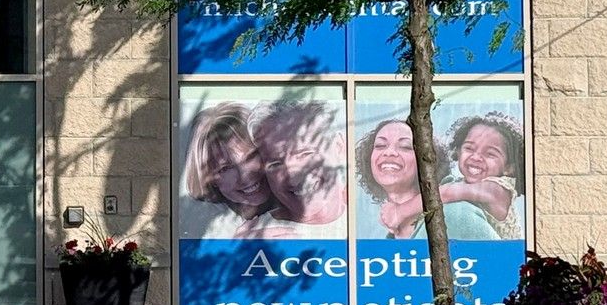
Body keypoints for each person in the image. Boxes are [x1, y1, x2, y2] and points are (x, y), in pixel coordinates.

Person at [355, 117, 497, 241]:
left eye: (405, 147)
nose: (389, 152)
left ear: (428, 160)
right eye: (380, 145)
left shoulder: (454, 215)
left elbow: (501, 261)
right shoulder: (390, 241)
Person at [249, 100, 349, 236]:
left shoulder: (369, 218)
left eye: (305, 154)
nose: (292, 177)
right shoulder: (254, 236)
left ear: (339, 148)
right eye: (275, 164)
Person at [179, 102, 275, 239]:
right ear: (209, 180)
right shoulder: (201, 229)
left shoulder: (300, 202)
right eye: (225, 168)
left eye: (251, 156)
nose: (244, 176)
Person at [442, 112, 526, 240]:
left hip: (503, 252)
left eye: (490, 154)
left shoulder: (498, 189)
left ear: (509, 167)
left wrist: (407, 212)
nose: (476, 157)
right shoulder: (460, 182)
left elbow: (445, 194)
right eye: (469, 148)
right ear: (458, 151)